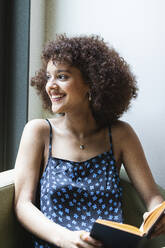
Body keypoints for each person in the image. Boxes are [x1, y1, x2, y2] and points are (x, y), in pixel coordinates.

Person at [14, 34, 165, 248]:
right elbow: (22, 205)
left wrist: (158, 215)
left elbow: (153, 198)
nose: (51, 86)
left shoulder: (121, 135)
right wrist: (65, 238)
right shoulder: (38, 132)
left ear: (91, 83)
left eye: (62, 76)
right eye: (48, 77)